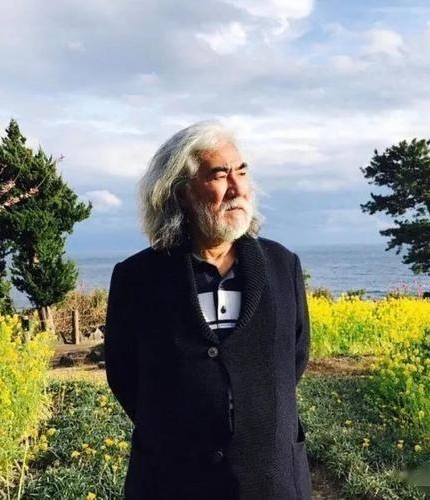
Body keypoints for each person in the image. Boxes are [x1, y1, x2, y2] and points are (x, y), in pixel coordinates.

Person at [104, 120, 311, 500]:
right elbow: (125, 375)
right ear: (182, 192)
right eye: (219, 175)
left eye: (241, 172)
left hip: (271, 481)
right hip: (171, 481)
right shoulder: (137, 279)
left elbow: (293, 359)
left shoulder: (283, 266)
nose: (237, 188)